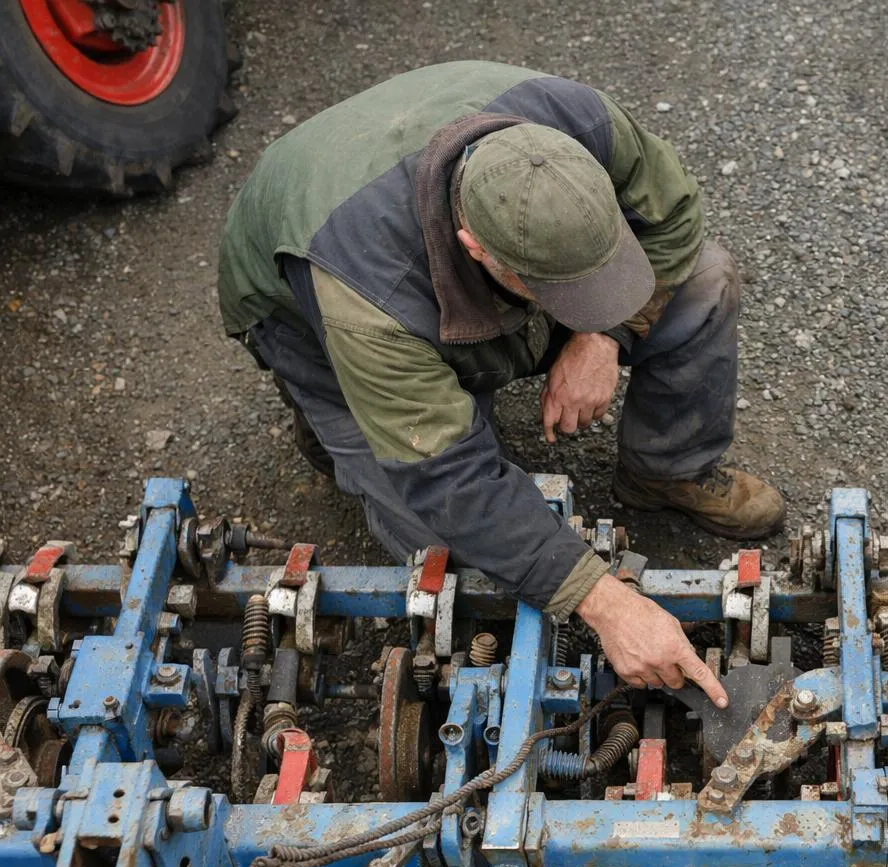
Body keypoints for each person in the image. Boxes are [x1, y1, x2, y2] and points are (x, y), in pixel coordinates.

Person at [217, 61, 789, 709]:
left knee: (704, 280)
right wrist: (605, 604)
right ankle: (334, 417)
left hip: (428, 256)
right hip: (309, 305)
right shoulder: (372, 300)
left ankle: (666, 468)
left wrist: (602, 335)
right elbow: (449, 479)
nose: (585, 303)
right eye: (564, 294)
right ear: (477, 248)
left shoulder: (579, 121)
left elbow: (677, 217)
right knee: (446, 541)